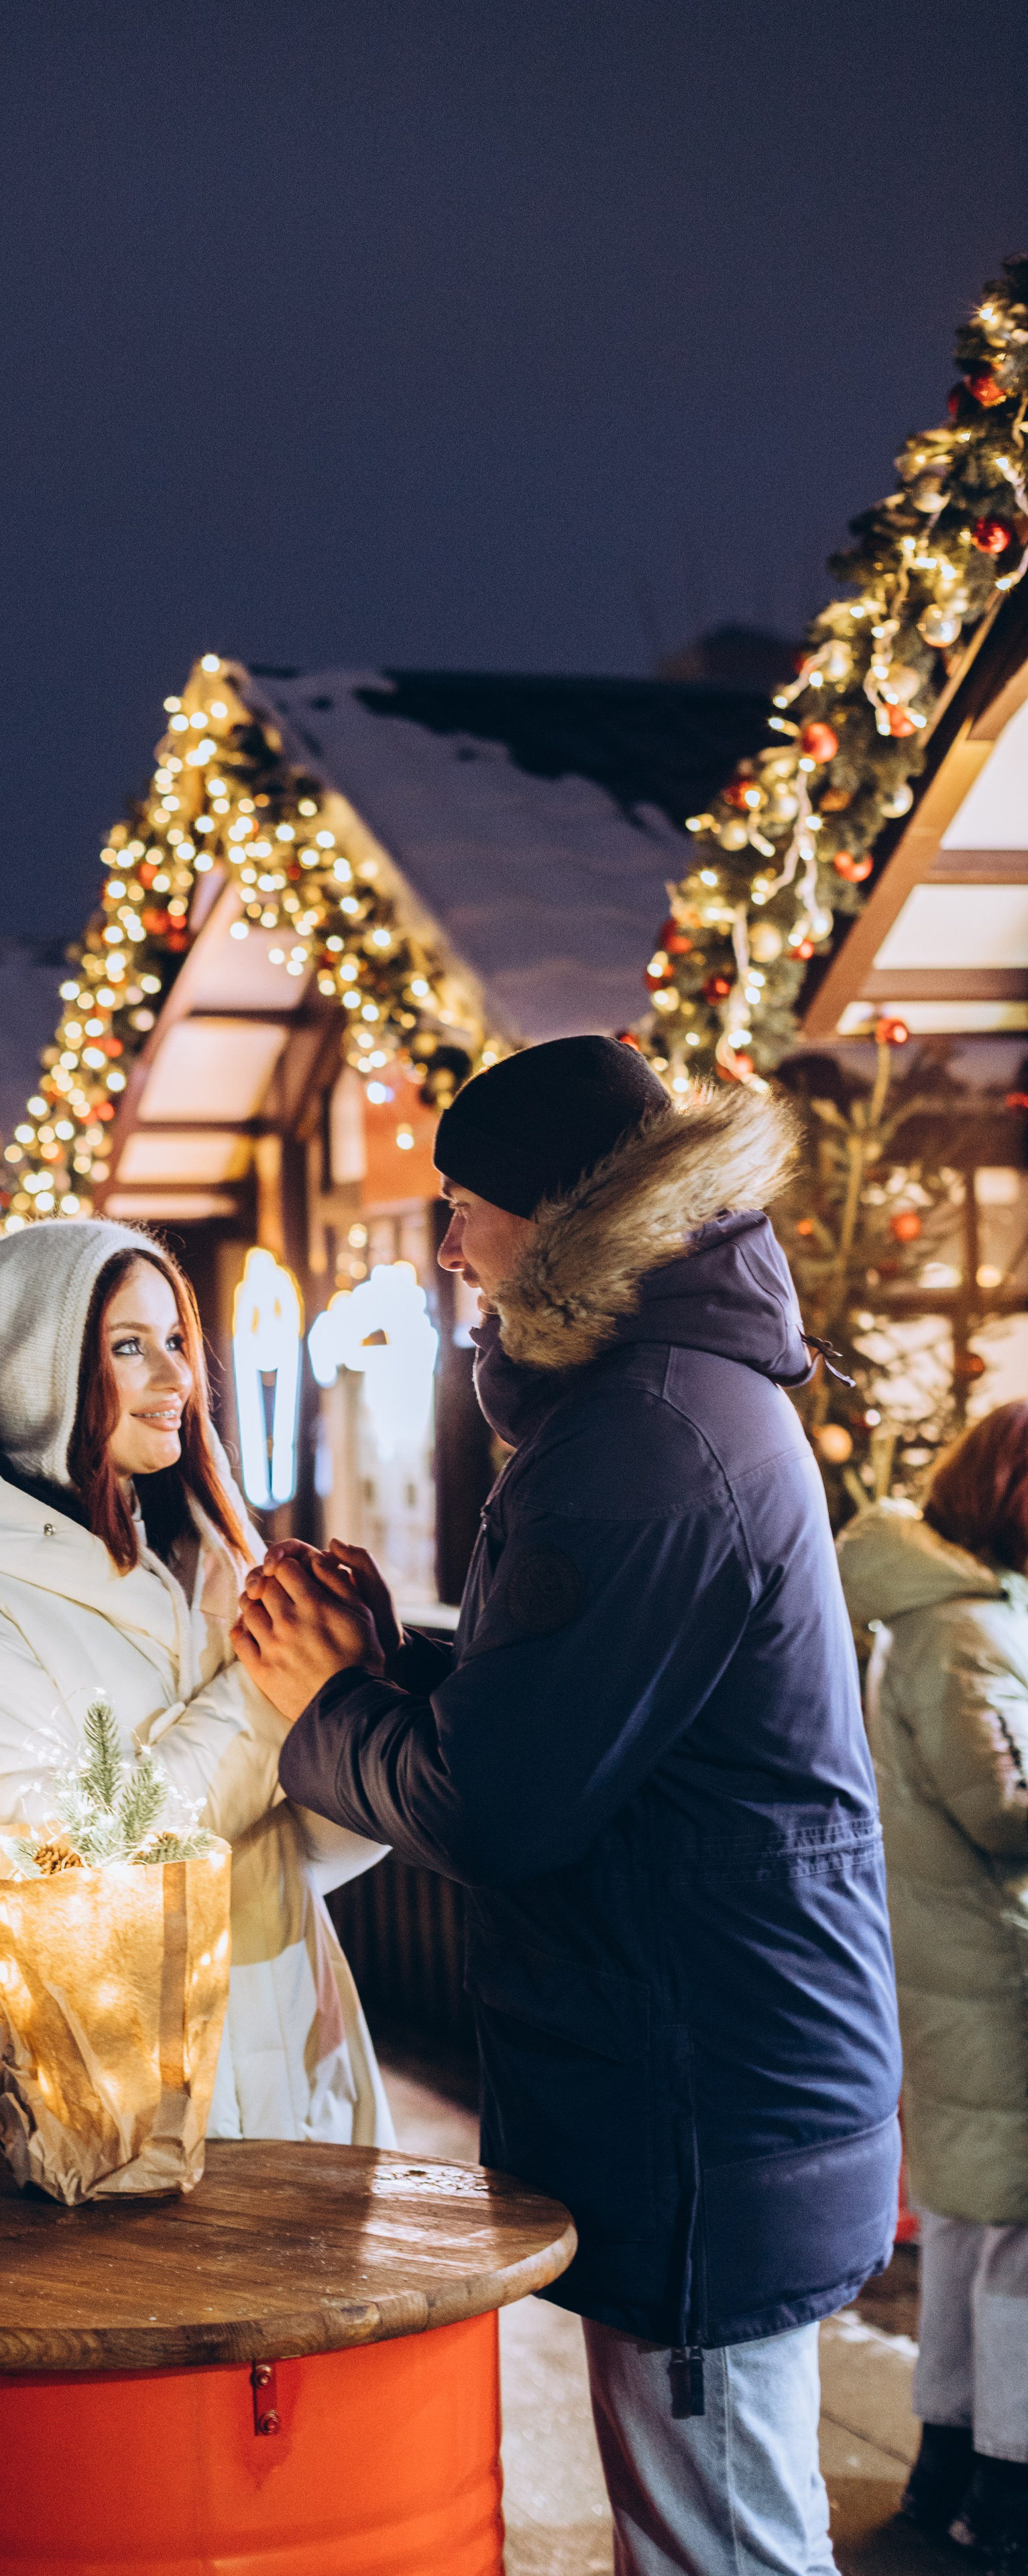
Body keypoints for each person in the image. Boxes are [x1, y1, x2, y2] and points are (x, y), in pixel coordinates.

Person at [234, 1036, 901, 2576]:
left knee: (715, 2543)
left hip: (699, 2089)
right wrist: (389, 1657)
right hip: (726, 2059)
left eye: (463, 1204)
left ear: (557, 1213)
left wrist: (316, 1705)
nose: (449, 1244)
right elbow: (594, 1698)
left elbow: (496, 1801)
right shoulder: (671, 1401)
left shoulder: (641, 1434)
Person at [0, 1215, 390, 2163]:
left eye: (177, 1340)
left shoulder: (201, 1563)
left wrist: (350, 1696)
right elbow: (66, 1889)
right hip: (37, 2164)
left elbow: (290, 1853)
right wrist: (264, 1698)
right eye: (130, 1347)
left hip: (270, 2099)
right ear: (38, 1370)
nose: (178, 1380)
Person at [838, 1413, 1028, 2575]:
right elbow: (999, 1809)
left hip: (949, 1965)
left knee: (970, 2235)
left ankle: (949, 2472)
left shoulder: (931, 1617)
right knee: (1011, 2243)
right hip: (991, 1974)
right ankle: (1007, 2494)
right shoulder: (962, 1629)